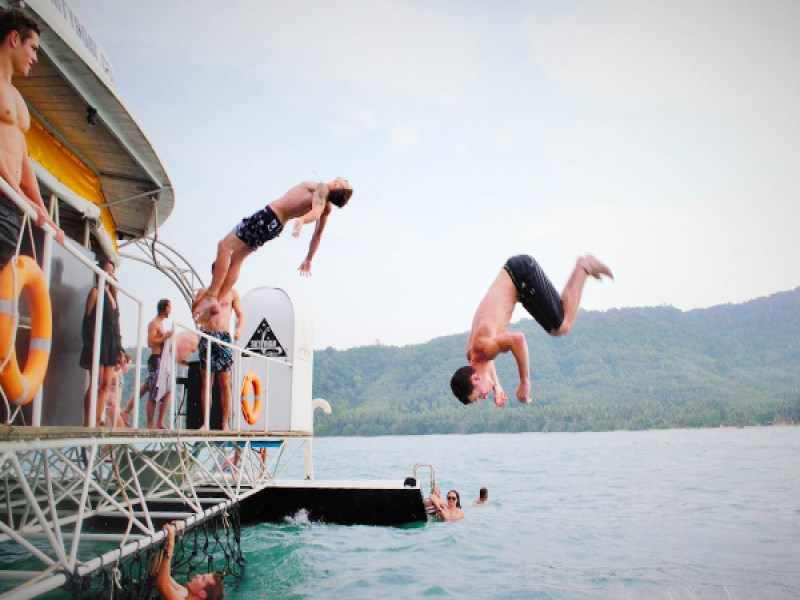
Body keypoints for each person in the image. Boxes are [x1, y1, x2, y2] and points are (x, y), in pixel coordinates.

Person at [450, 254, 613, 406]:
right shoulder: (474, 354)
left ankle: (584, 266)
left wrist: (524, 381)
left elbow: (518, 339)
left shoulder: (484, 347)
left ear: (475, 379)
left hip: (521, 275)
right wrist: (496, 387)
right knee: (555, 329)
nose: (484, 397)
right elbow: (487, 361)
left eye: (479, 396)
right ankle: (583, 268)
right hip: (517, 280)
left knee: (563, 325)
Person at [192, 178, 353, 323]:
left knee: (224, 246)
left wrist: (302, 220)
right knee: (238, 259)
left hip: (268, 216)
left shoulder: (322, 188)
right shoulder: (328, 207)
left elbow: (316, 210)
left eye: (345, 182)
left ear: (335, 185)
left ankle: (212, 296)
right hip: (275, 227)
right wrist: (309, 258)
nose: (345, 179)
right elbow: (318, 236)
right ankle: (219, 301)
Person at [0, 8, 64, 270]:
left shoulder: (16, 97)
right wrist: (16, 193)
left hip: (10, 206)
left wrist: (40, 207)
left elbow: (23, 158)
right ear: (14, 39)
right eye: (33, 48)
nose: (35, 58)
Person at [194, 267, 243, 430]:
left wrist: (238, 329)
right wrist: (206, 312)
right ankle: (205, 422)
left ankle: (224, 423)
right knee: (206, 381)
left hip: (223, 337)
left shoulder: (232, 293)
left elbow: (240, 315)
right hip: (208, 335)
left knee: (224, 382)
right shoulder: (204, 292)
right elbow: (196, 316)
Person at [80, 258, 123, 426]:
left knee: (106, 383)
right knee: (96, 382)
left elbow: (116, 324)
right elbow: (88, 320)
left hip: (111, 342)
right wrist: (91, 345)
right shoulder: (95, 292)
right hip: (98, 340)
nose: (109, 273)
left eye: (112, 270)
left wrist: (120, 348)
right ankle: (87, 419)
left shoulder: (113, 295)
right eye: (106, 270)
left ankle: (98, 418)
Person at [121, 299, 173, 429]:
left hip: (162, 360)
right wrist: (165, 337)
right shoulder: (154, 323)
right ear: (164, 308)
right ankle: (150, 423)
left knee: (150, 388)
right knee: (153, 391)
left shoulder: (161, 324)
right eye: (169, 307)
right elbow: (150, 342)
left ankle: (127, 411)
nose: (171, 310)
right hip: (155, 359)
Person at [155, 521, 224, 600]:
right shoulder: (184, 592)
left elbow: (163, 585)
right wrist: (174, 536)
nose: (198, 575)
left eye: (202, 578)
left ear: (202, 594)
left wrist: (171, 544)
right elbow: (158, 573)